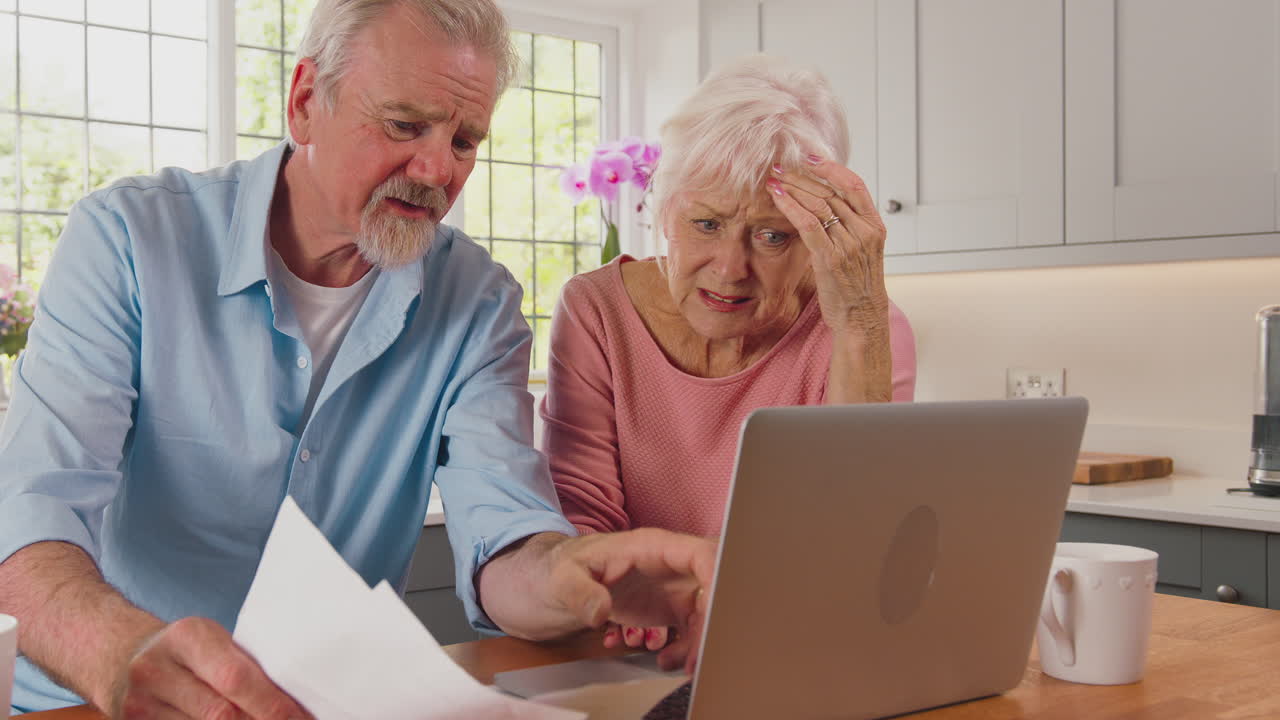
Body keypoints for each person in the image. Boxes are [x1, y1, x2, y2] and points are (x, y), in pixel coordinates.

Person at [0, 1, 714, 716]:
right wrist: (122, 654)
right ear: (306, 102)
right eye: (405, 125)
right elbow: (29, 520)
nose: (438, 170)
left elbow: (503, 535)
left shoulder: (478, 302)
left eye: (466, 140)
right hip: (94, 701)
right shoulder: (127, 238)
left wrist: (569, 576)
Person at [540, 55, 916, 651]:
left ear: (819, 235)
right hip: (626, 639)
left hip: (791, 642)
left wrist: (859, 324)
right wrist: (639, 595)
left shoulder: (862, 328)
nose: (730, 269)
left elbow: (857, 532)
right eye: (707, 224)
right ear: (666, 210)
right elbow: (580, 515)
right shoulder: (597, 311)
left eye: (773, 236)